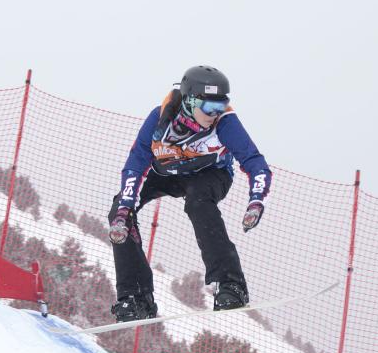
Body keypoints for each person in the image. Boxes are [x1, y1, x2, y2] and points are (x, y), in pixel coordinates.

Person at [108, 65, 272, 322]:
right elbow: (135, 164)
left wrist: (256, 200)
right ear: (189, 101)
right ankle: (137, 297)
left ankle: (231, 284)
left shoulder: (225, 122)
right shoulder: (159, 119)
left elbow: (254, 162)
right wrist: (124, 208)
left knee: (198, 202)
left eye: (222, 106)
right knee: (120, 210)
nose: (216, 114)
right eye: (210, 108)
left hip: (210, 173)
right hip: (167, 171)